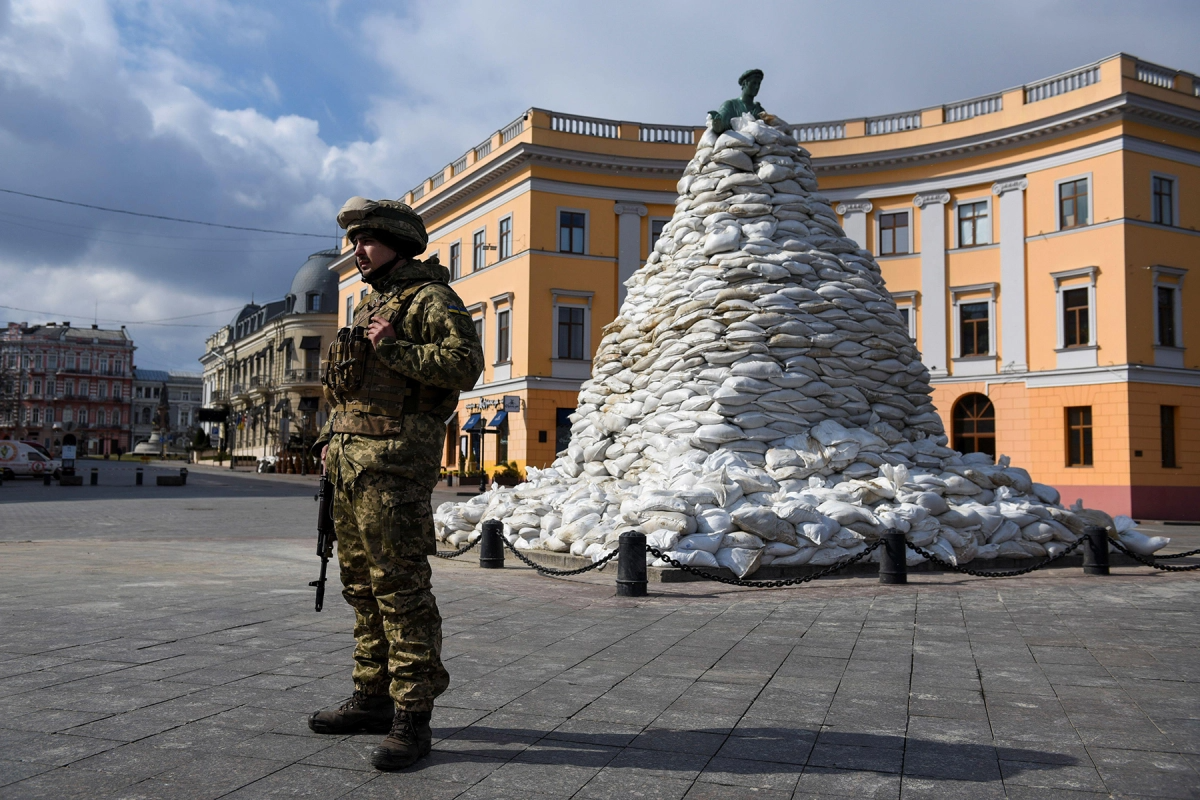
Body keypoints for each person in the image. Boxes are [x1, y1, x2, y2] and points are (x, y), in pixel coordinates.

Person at [307, 196, 483, 770]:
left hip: (394, 472)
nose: (357, 251)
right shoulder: (371, 304)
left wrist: (395, 346)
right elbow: (349, 392)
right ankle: (371, 698)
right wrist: (331, 440)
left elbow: (464, 365)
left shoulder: (430, 298)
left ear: (398, 243)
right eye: (355, 242)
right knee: (360, 589)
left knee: (400, 592)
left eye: (367, 241)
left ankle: (413, 717)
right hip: (352, 468)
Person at [708, 68, 766, 135]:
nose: (756, 87)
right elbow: (720, 127)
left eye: (759, 84)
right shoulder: (730, 105)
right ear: (744, 84)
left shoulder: (760, 110)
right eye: (753, 83)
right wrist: (717, 122)